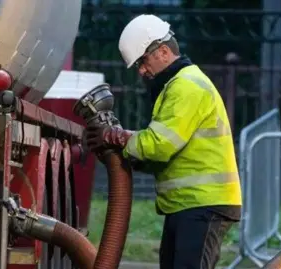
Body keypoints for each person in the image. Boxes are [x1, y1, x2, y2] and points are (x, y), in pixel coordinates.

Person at [85, 14, 243, 269]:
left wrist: (118, 137)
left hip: (203, 204)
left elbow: (159, 145)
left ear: (163, 52)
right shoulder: (176, 86)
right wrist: (127, 149)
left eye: (143, 61)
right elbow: (164, 151)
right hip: (191, 204)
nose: (142, 71)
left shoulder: (186, 87)